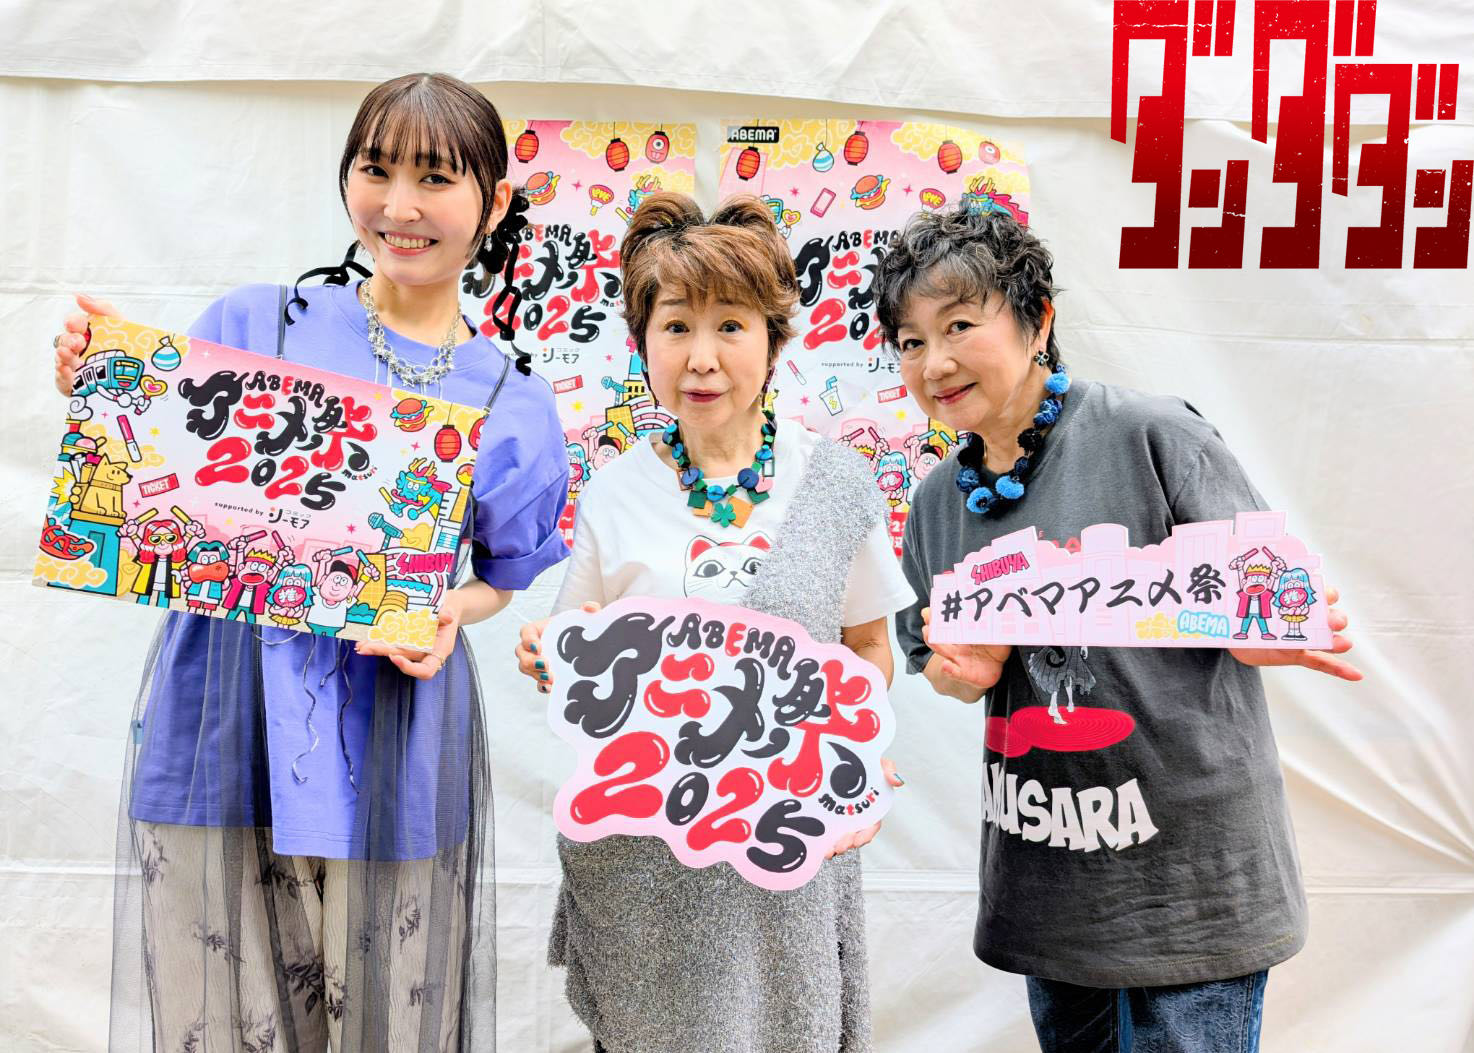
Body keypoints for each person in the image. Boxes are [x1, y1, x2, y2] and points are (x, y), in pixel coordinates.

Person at [50, 73, 569, 1053]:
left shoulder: (511, 400)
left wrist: (447, 612)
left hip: (394, 721)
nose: (399, 205)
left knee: (386, 1022)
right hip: (227, 707)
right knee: (222, 1013)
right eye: (376, 170)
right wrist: (102, 385)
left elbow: (501, 577)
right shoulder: (260, 324)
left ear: (494, 200)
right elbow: (154, 482)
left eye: (435, 178)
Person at [875, 206, 1360, 1053]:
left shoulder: (1152, 434)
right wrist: (964, 671)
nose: (935, 363)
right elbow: (938, 666)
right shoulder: (936, 502)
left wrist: (1265, 631)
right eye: (910, 342)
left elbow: (1257, 594)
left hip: (1189, 880)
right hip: (1049, 871)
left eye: (958, 326)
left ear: (1037, 321)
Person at [512, 193, 914, 1053]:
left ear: (774, 338)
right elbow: (568, 654)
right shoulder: (617, 489)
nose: (701, 357)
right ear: (642, 342)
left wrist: (852, 746)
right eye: (675, 326)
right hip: (647, 860)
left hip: (783, 843)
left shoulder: (835, 482)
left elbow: (869, 650)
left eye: (730, 325)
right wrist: (546, 652)